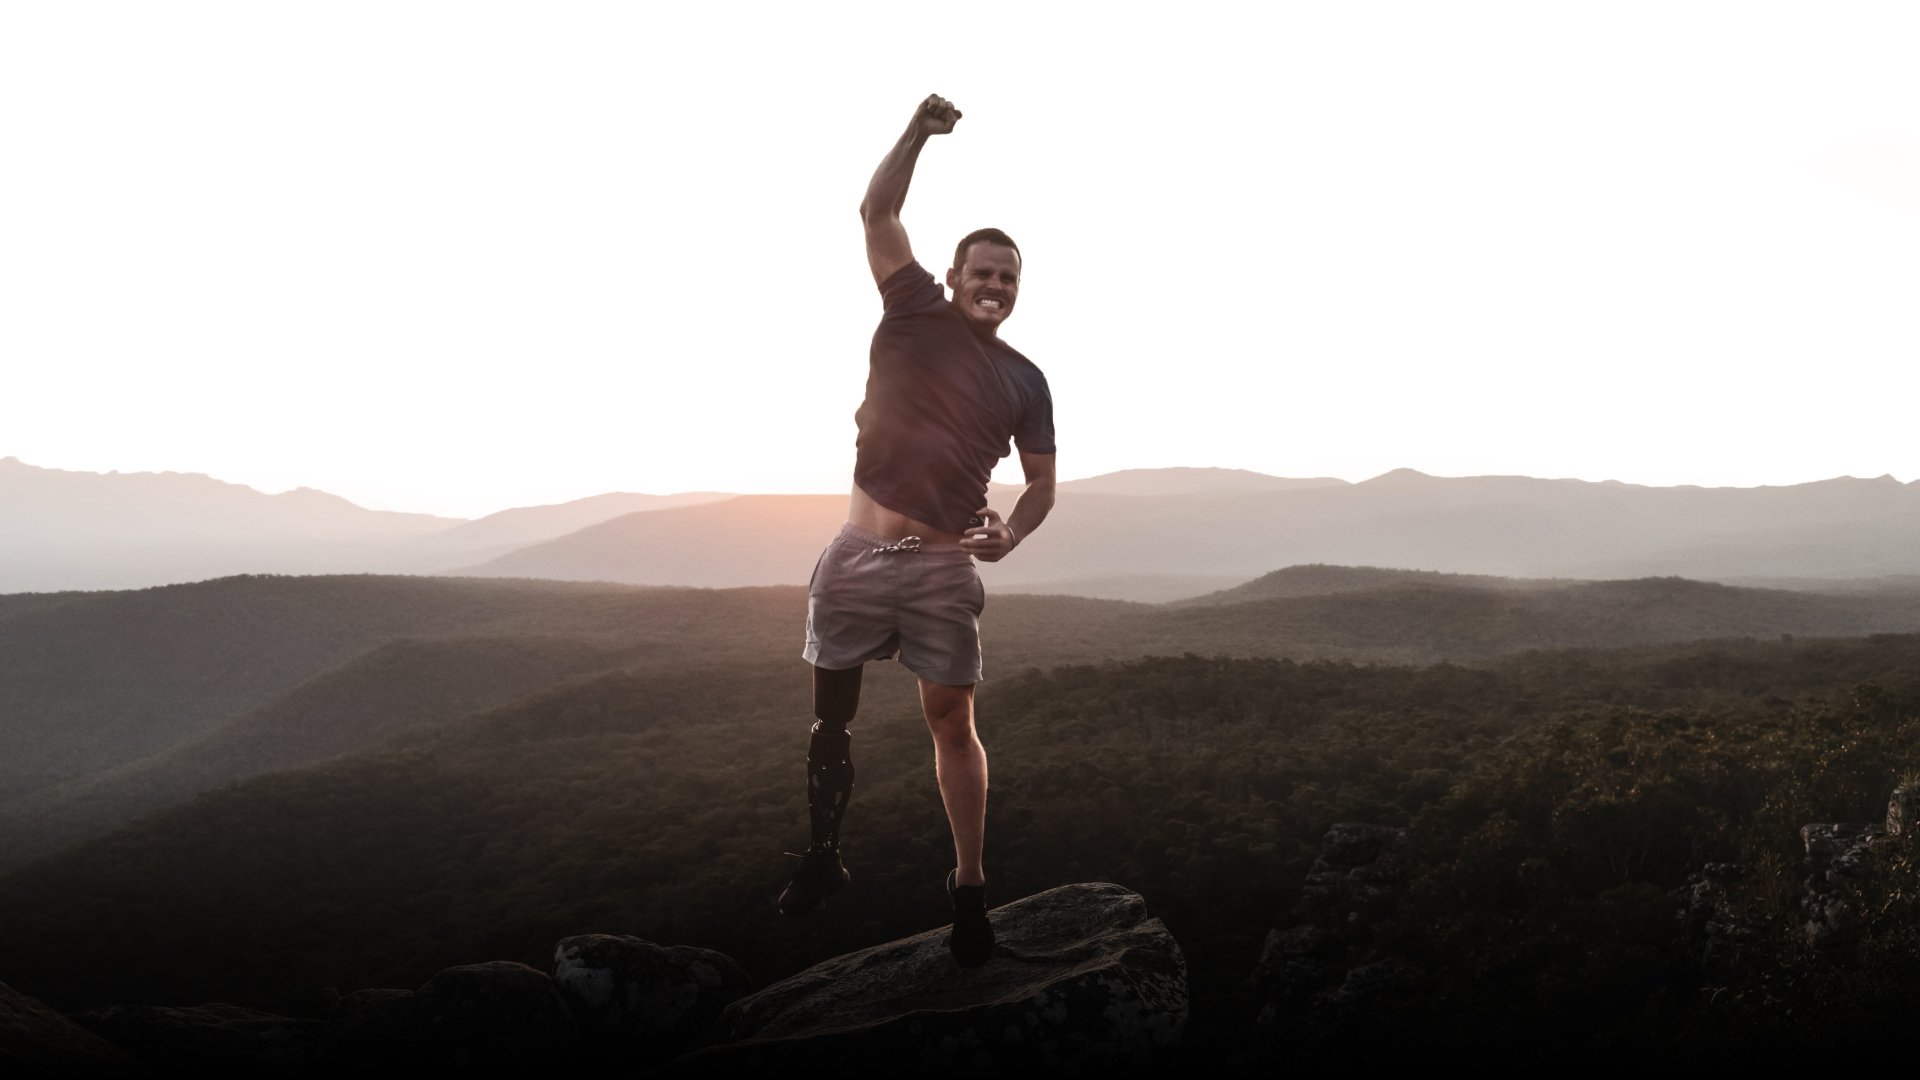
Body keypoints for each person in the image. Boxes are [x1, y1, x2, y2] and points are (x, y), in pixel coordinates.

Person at [776, 94, 1058, 969]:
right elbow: (877, 212)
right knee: (831, 719)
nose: (995, 286)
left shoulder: (1025, 379)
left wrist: (1011, 532)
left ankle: (968, 890)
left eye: (1008, 278)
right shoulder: (911, 309)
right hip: (857, 554)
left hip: (939, 565)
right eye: (983, 271)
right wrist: (916, 133)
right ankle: (824, 858)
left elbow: (1044, 485)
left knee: (951, 722)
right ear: (955, 271)